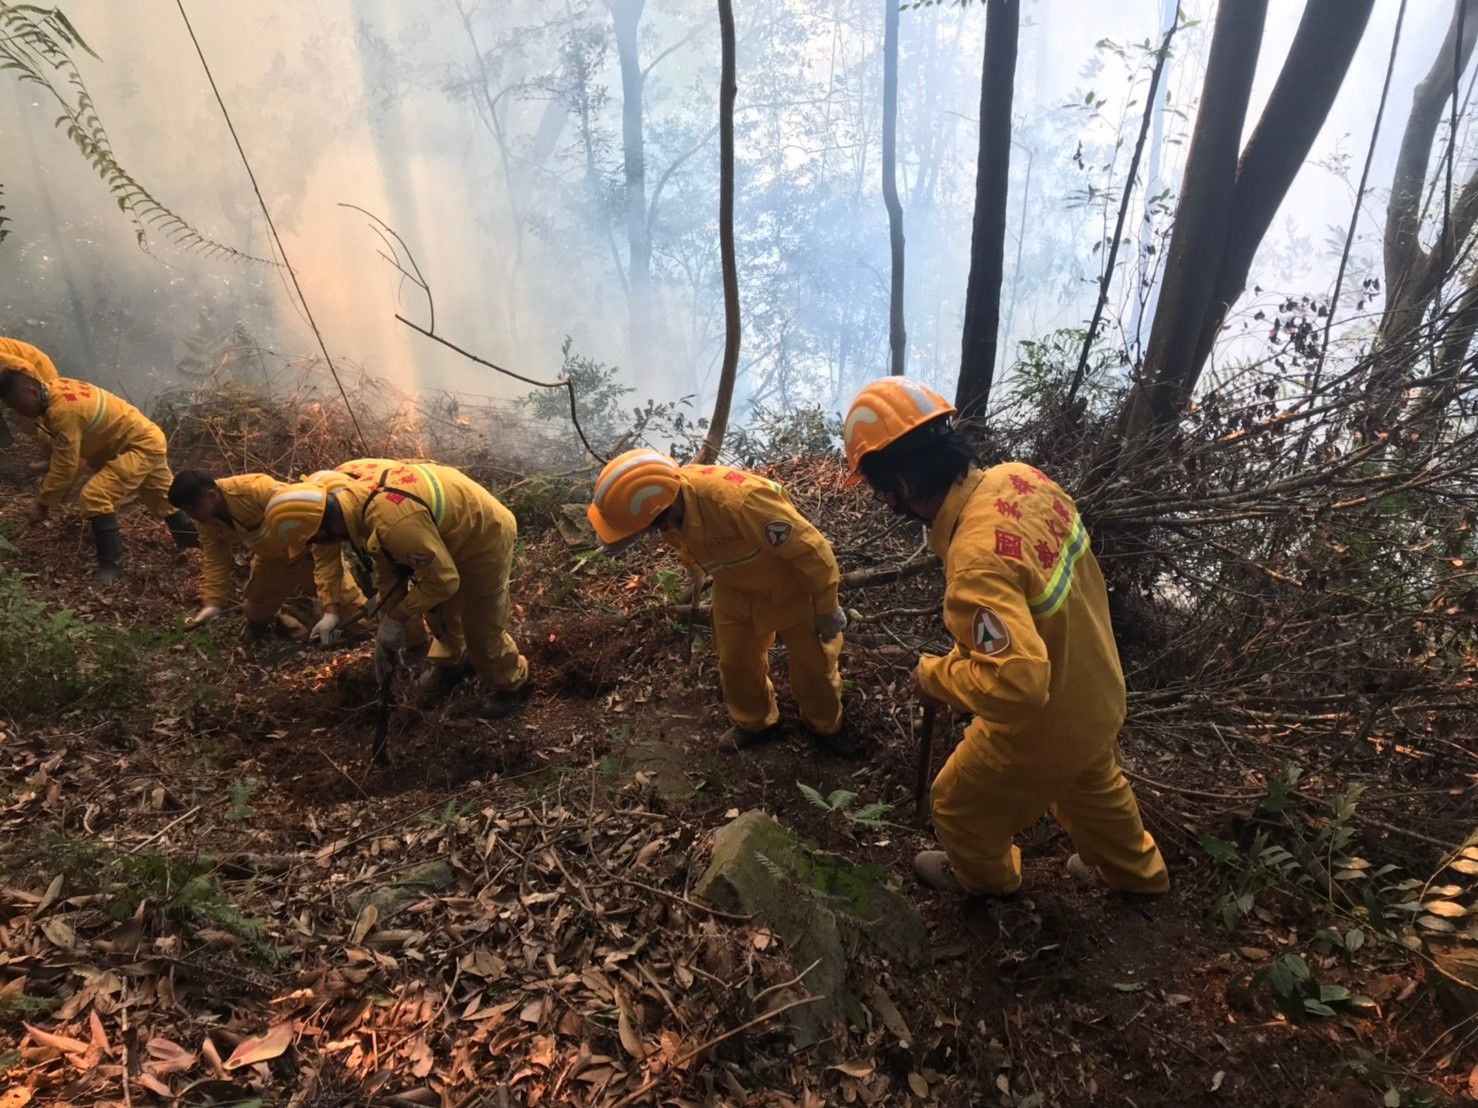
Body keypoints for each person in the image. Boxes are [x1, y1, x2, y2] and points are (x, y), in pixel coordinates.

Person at [841, 377, 1169, 897]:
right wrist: (970, 665)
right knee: (1093, 786)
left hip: (1045, 723)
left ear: (899, 485)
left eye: (880, 490)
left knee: (955, 804)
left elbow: (1018, 685)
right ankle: (1141, 877)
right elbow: (1031, 610)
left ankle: (990, 882)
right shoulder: (1021, 480)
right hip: (1097, 693)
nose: (884, 501)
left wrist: (938, 677)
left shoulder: (973, 562)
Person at [586, 449, 849, 753]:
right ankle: (755, 722)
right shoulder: (670, 509)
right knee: (735, 662)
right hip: (733, 589)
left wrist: (828, 608)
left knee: (813, 665)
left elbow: (813, 550)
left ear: (659, 510)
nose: (649, 533)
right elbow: (688, 544)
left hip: (789, 587)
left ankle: (826, 727)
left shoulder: (739, 501)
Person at [259, 460, 530, 719]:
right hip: (433, 531)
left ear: (326, 526)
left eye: (318, 538)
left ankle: (511, 684)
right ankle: (452, 663)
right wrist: (341, 611)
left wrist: (396, 618)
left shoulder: (393, 523)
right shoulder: (330, 493)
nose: (321, 544)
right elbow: (382, 563)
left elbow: (444, 581)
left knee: (480, 626)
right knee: (439, 611)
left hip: (482, 534)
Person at [0, 370, 198, 584]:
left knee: (95, 496)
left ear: (32, 391)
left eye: (18, 404)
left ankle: (111, 568)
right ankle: (192, 545)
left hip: (138, 445)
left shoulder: (63, 412)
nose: (19, 411)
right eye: (12, 407)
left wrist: (43, 503)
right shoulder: (56, 388)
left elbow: (67, 465)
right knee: (162, 497)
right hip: (146, 437)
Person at [168, 469, 367, 643]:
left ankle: (367, 640)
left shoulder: (255, 488)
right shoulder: (206, 521)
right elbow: (215, 559)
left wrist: (330, 601)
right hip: (271, 559)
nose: (190, 516)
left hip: (308, 553)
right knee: (256, 607)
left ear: (211, 496)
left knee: (351, 610)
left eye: (192, 509)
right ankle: (259, 635)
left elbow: (313, 521)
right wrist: (213, 602)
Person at [0, 336, 61, 446]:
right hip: (17, 379)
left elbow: (27, 367)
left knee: (47, 418)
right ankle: (49, 453)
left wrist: (36, 392)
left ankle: (66, 454)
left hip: (38, 369)